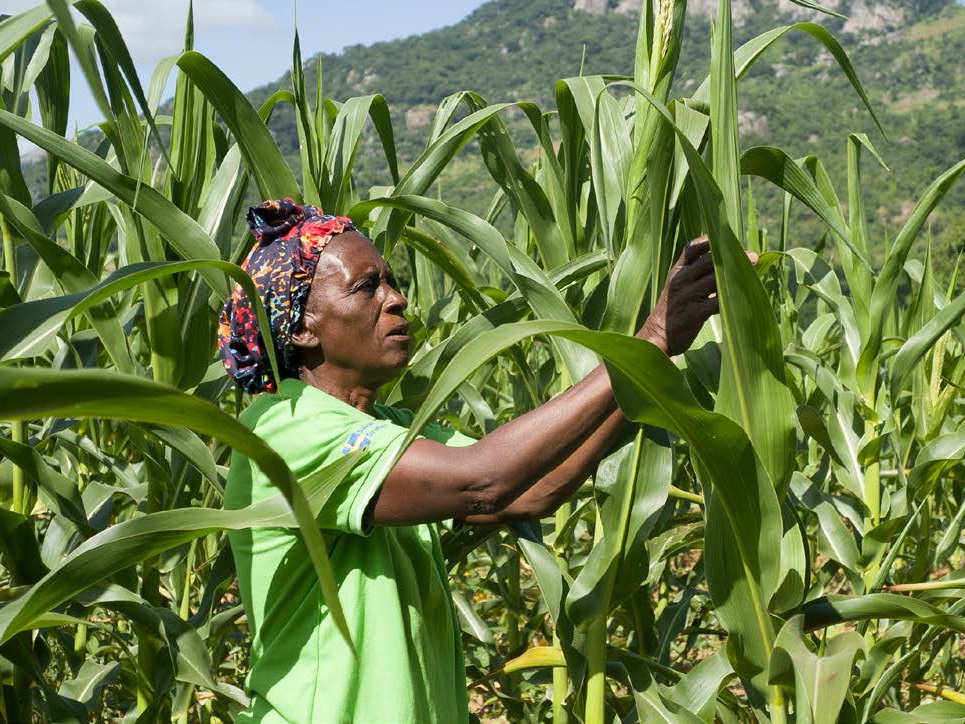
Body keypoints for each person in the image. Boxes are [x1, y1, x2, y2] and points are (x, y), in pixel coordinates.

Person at [218, 198, 735, 723]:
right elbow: (482, 481)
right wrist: (645, 343)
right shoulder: (285, 430)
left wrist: (655, 355)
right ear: (302, 327)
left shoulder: (391, 428)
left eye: (393, 282)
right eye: (366, 286)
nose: (396, 301)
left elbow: (531, 490)